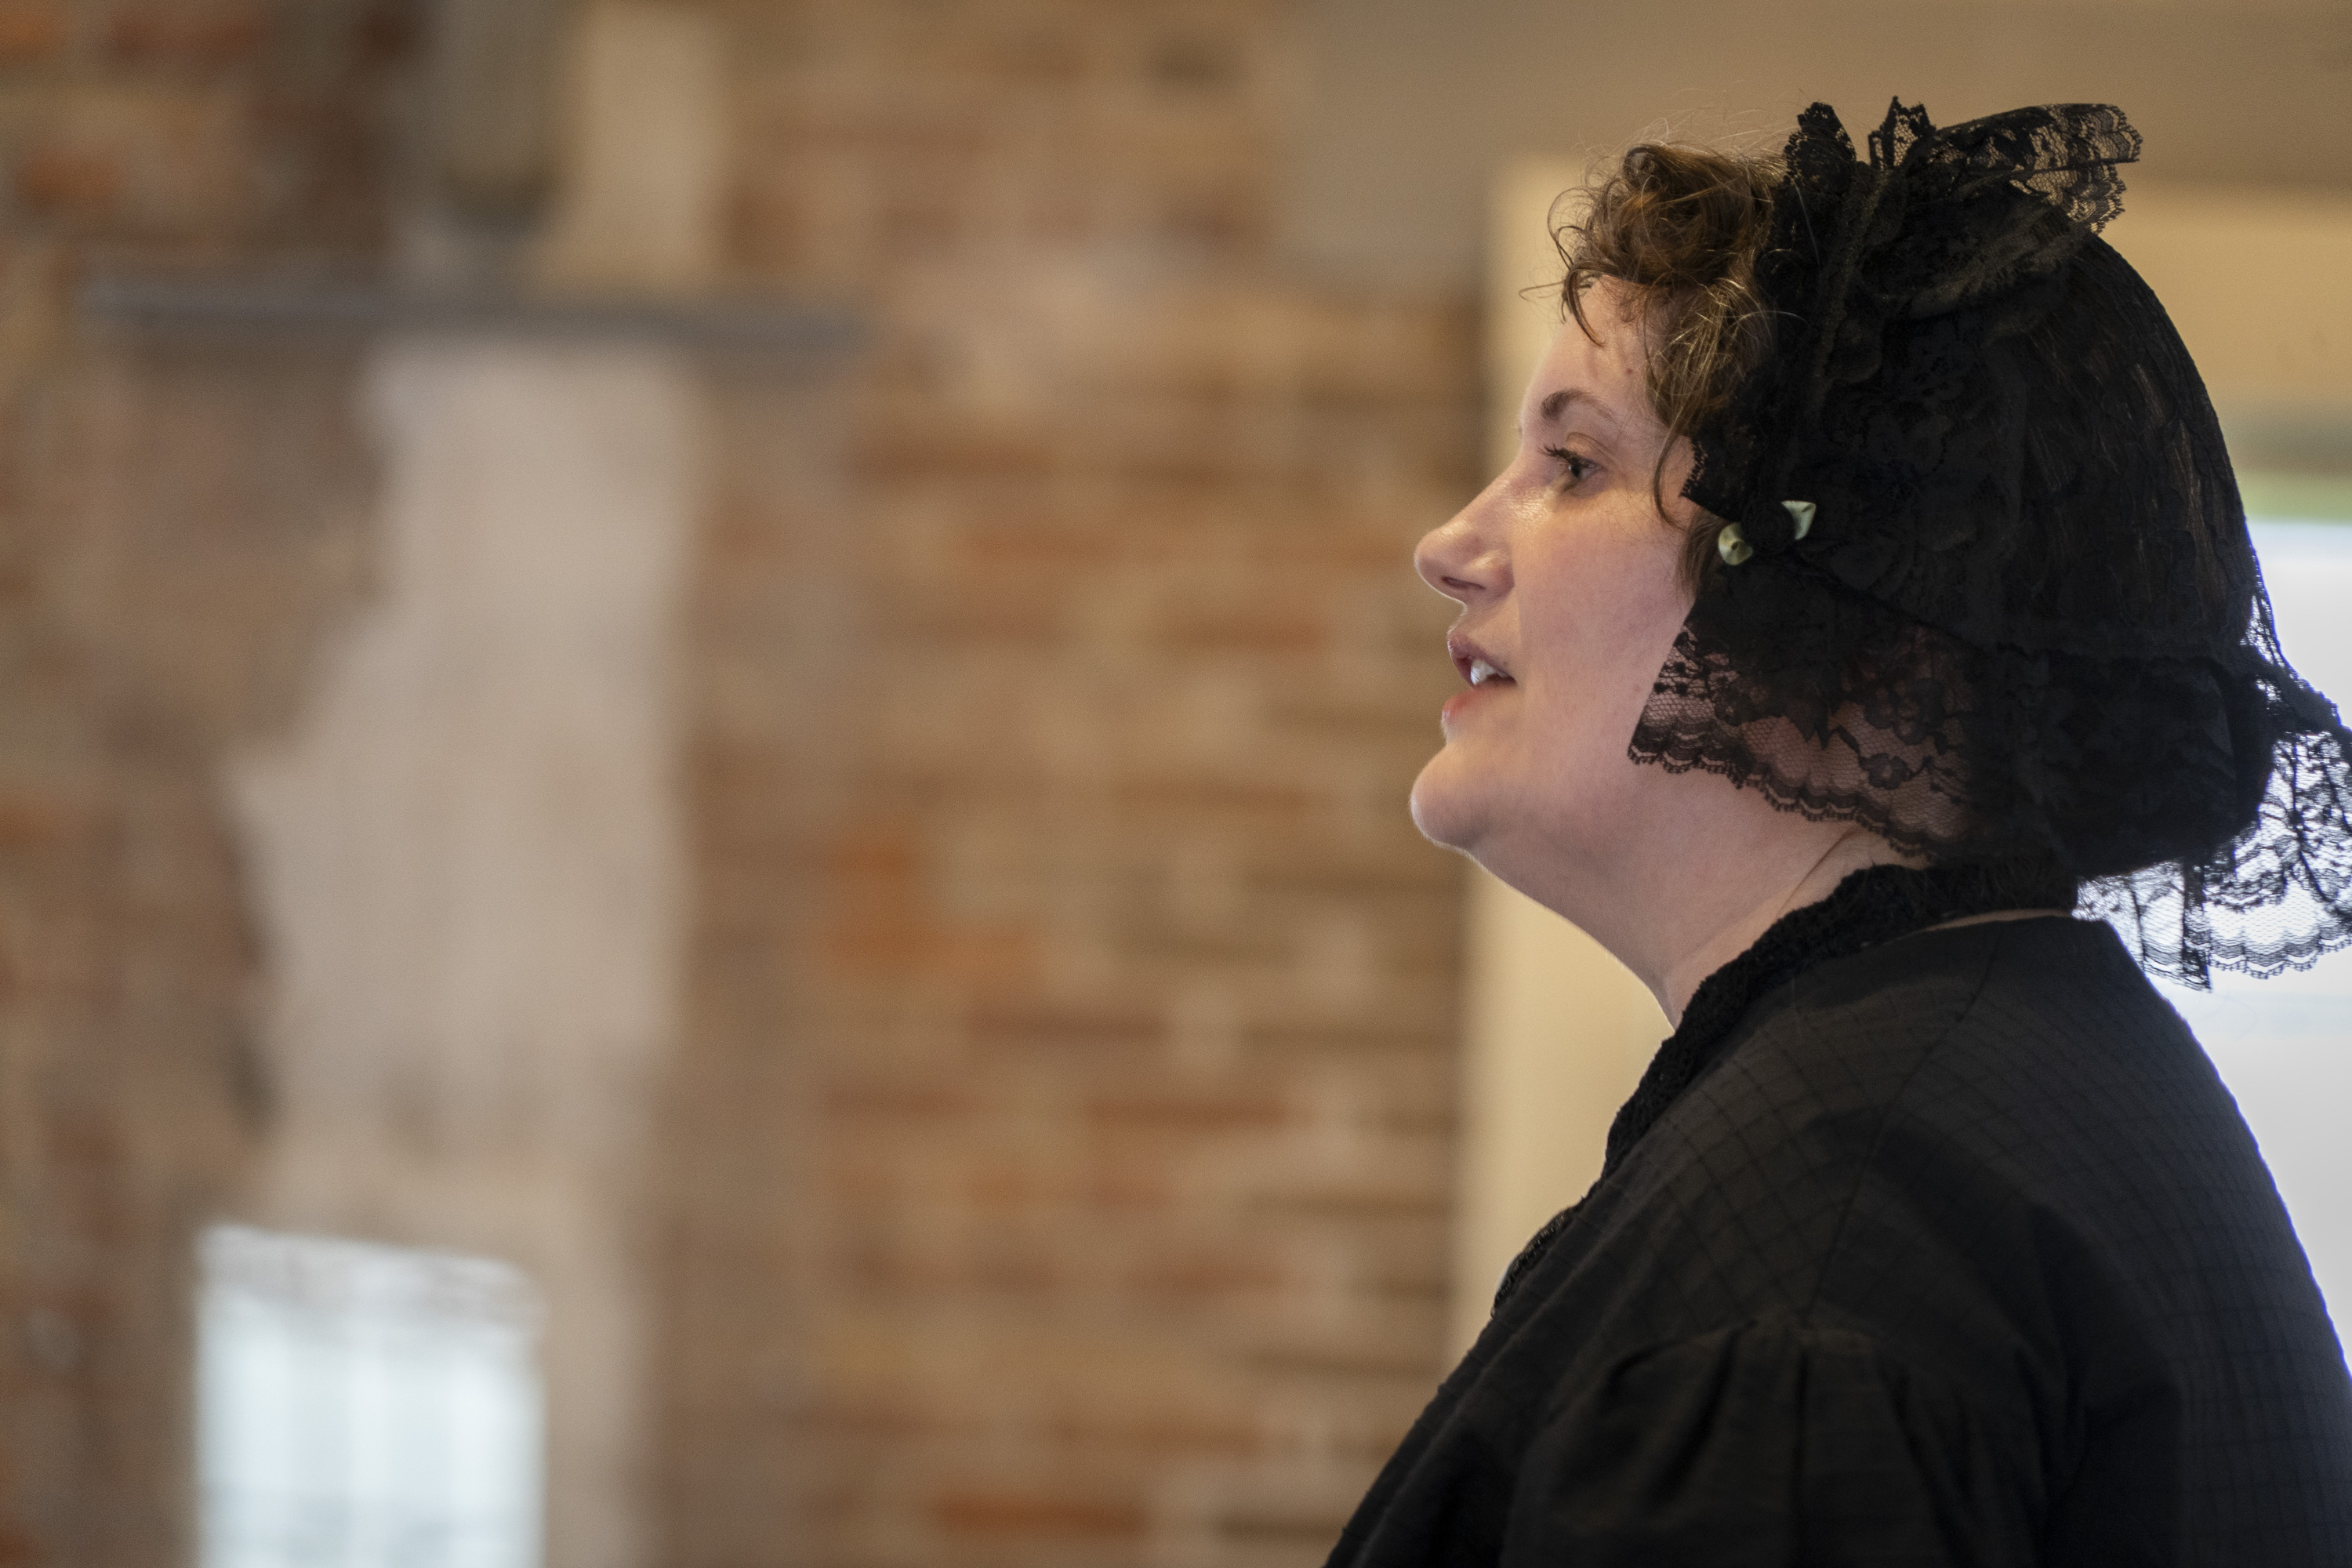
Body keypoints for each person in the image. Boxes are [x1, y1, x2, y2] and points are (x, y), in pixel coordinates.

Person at [1327, 100, 2352, 1565]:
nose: (1452, 546)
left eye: (1576, 465)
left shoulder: (1819, 1266)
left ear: (1839, 609)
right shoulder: (2029, 1079)